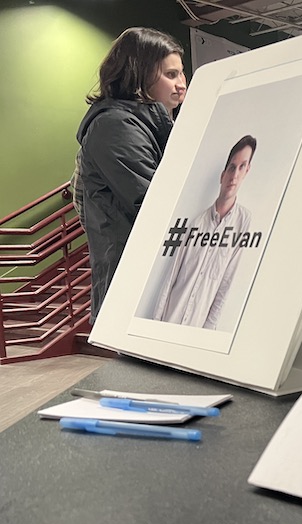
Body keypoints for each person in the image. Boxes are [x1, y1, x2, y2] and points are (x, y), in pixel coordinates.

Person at [76, 27, 187, 320]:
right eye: (171, 75)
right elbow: (154, 203)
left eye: (181, 73)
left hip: (152, 277)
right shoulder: (114, 127)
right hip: (132, 283)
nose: (182, 84)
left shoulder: (154, 127)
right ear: (138, 75)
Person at [152, 135, 256, 330]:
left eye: (242, 167)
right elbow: (171, 276)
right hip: (170, 320)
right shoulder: (196, 223)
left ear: (247, 171)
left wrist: (207, 332)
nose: (234, 175)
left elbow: (226, 283)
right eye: (232, 167)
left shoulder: (243, 222)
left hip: (198, 327)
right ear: (222, 175)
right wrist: (156, 324)